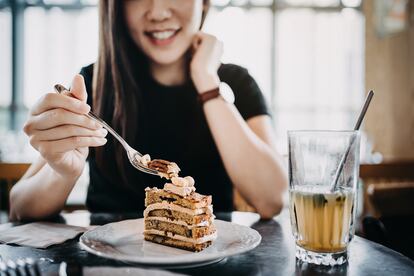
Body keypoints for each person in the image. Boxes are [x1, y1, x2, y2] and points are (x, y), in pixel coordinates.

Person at [10, 0, 287, 221]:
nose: (158, 12)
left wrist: (207, 81)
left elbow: (271, 199)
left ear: (203, 3)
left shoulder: (236, 82)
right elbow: (20, 206)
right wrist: (62, 172)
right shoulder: (96, 82)